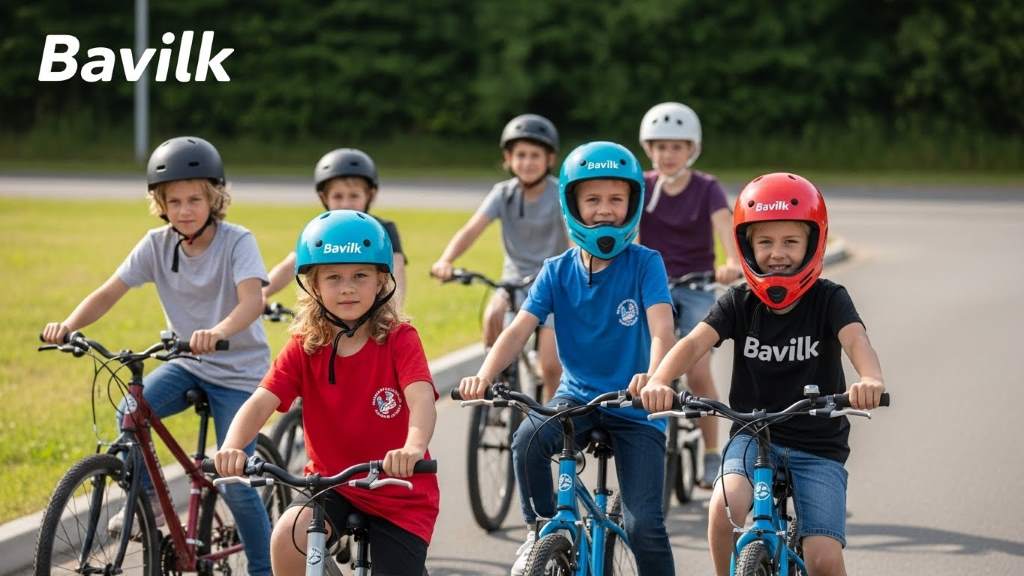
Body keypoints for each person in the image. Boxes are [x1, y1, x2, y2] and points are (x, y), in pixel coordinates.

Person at [40, 136, 274, 575]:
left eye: (194, 199)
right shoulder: (156, 244)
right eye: (174, 201)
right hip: (188, 362)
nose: (184, 210)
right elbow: (110, 291)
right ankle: (145, 502)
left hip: (240, 372)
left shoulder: (237, 241)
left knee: (235, 476)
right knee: (131, 410)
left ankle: (264, 570)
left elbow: (252, 302)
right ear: (160, 203)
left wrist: (218, 332)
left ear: (215, 199)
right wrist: (70, 326)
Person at [643, 173, 886, 576]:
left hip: (817, 446)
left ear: (813, 243)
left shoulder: (829, 299)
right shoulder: (740, 301)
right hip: (752, 435)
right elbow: (692, 344)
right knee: (724, 508)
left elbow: (857, 341)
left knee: (823, 559)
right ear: (747, 246)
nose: (777, 253)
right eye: (765, 242)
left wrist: (870, 379)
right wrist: (659, 380)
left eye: (791, 242)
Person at [458, 141, 677, 576]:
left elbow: (661, 330)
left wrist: (654, 378)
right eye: (592, 199)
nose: (604, 210)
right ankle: (541, 529)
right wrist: (483, 374)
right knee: (526, 440)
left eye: (616, 199)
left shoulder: (645, 264)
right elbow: (519, 329)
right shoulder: (556, 269)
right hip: (575, 399)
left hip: (636, 408)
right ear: (572, 205)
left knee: (644, 525)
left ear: (632, 203)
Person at [214, 210, 439, 575]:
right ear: (313, 286)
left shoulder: (400, 339)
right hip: (332, 484)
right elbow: (261, 401)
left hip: (398, 490)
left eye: (360, 276)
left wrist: (413, 448)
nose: (347, 287)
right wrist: (232, 446)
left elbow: (421, 400)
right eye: (333, 277)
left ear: (382, 281)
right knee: (287, 535)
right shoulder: (305, 345)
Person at [638, 101, 743, 487]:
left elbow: (724, 226)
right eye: (660, 146)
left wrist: (731, 260)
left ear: (691, 149)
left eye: (677, 147)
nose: (668, 155)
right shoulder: (643, 186)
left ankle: (713, 453)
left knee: (697, 370)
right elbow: (628, 231)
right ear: (649, 149)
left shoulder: (707, 187)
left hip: (698, 286)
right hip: (654, 289)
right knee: (643, 361)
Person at [431, 114, 566, 400]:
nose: (527, 162)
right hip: (513, 282)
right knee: (492, 314)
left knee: (552, 364)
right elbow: (472, 229)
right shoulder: (502, 194)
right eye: (520, 155)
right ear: (508, 158)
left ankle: (554, 420)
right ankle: (499, 379)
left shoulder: (560, 194)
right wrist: (446, 260)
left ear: (550, 159)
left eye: (535, 155)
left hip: (553, 284)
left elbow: (572, 236)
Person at [264, 148, 408, 308]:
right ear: (324, 198)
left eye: (354, 195)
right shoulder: (320, 231)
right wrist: (262, 293)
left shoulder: (382, 231)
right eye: (337, 196)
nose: (346, 204)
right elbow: (292, 264)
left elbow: (397, 271)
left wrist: (392, 309)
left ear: (370, 196)